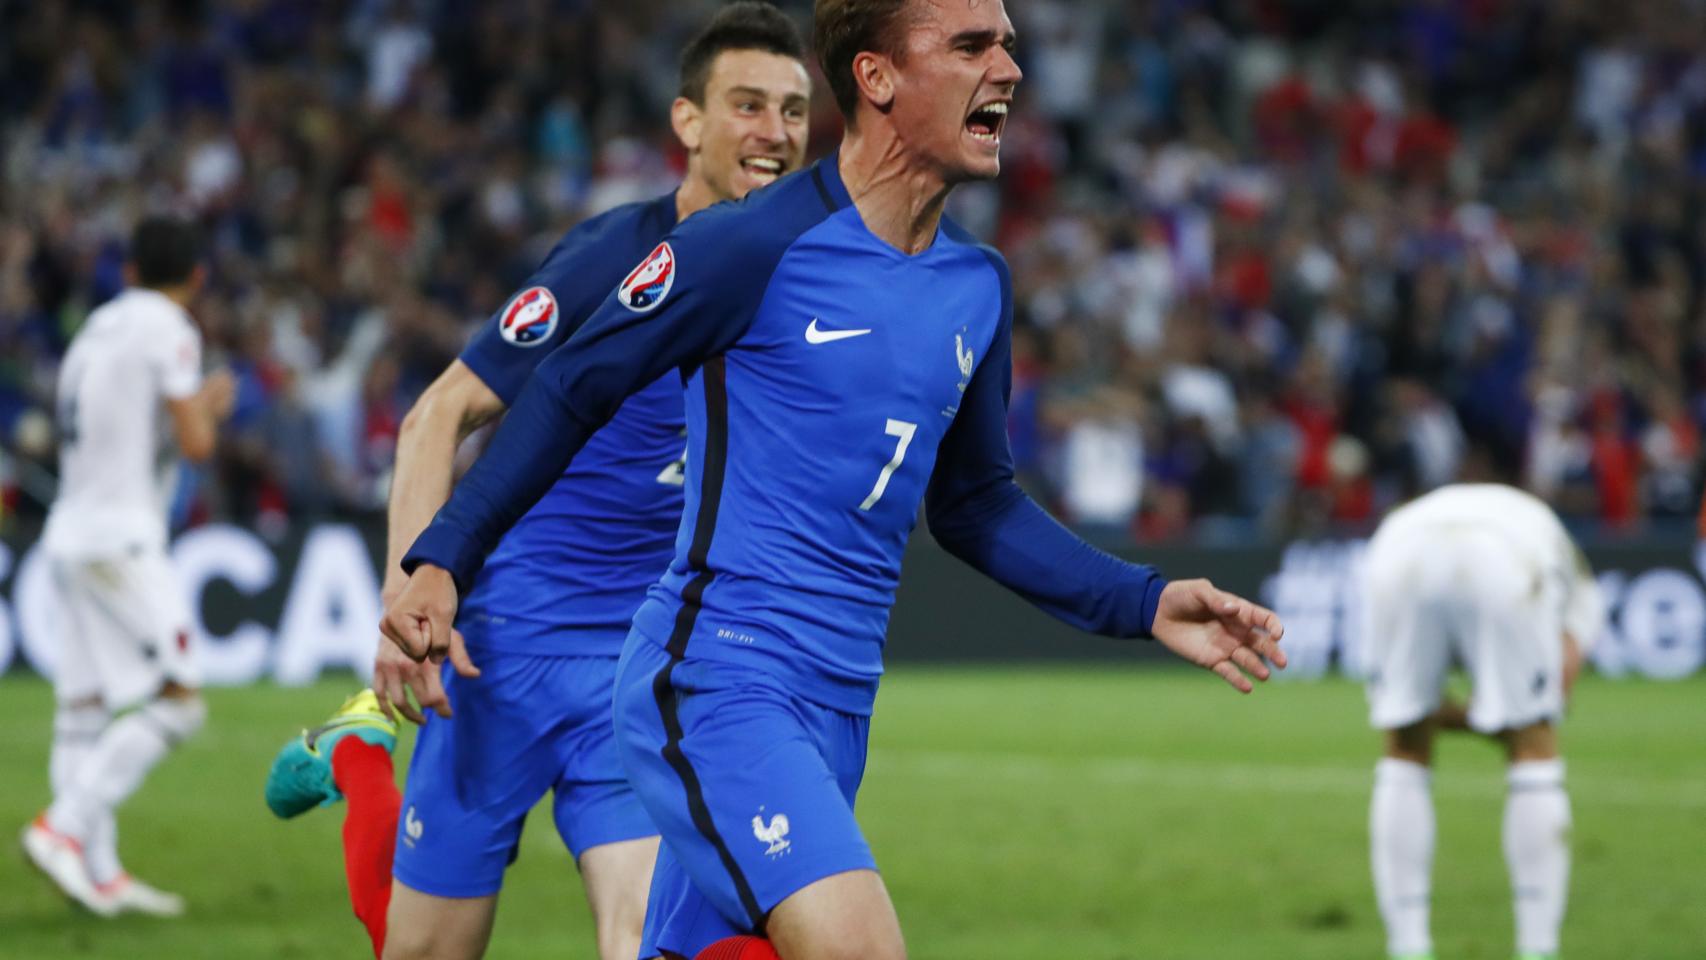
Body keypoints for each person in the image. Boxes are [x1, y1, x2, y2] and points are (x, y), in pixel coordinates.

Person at [385, 2, 1287, 959]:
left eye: (1010, 45)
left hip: (840, 700)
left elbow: (976, 506)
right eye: (973, 46)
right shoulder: (748, 247)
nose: (1011, 70)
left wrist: (1140, 602)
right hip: (716, 676)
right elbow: (568, 387)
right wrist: (442, 556)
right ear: (877, 78)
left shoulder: (977, 285)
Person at [260, 6, 813, 960]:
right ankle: (358, 759)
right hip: (502, 652)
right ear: (688, 122)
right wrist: (410, 600)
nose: (776, 132)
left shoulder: (802, 285)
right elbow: (439, 415)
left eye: (796, 110)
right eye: (749, 105)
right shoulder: (610, 259)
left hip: (635, 669)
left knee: (643, 937)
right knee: (422, 948)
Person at [22, 215, 236, 917]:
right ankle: (63, 828)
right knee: (180, 699)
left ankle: (102, 872)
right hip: (120, 537)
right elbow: (196, 444)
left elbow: (123, 431)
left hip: (70, 530)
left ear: (131, 271)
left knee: (82, 711)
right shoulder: (170, 328)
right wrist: (210, 405)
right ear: (195, 278)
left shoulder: (96, 328)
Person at [1360, 483, 1601, 960]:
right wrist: (1506, 720)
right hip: (1503, 556)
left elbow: (1418, 714)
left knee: (1404, 743)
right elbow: (1552, 696)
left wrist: (1453, 715)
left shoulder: (1523, 519)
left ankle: (1408, 946)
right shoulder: (1582, 595)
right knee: (1535, 748)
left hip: (1397, 548)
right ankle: (1538, 947)